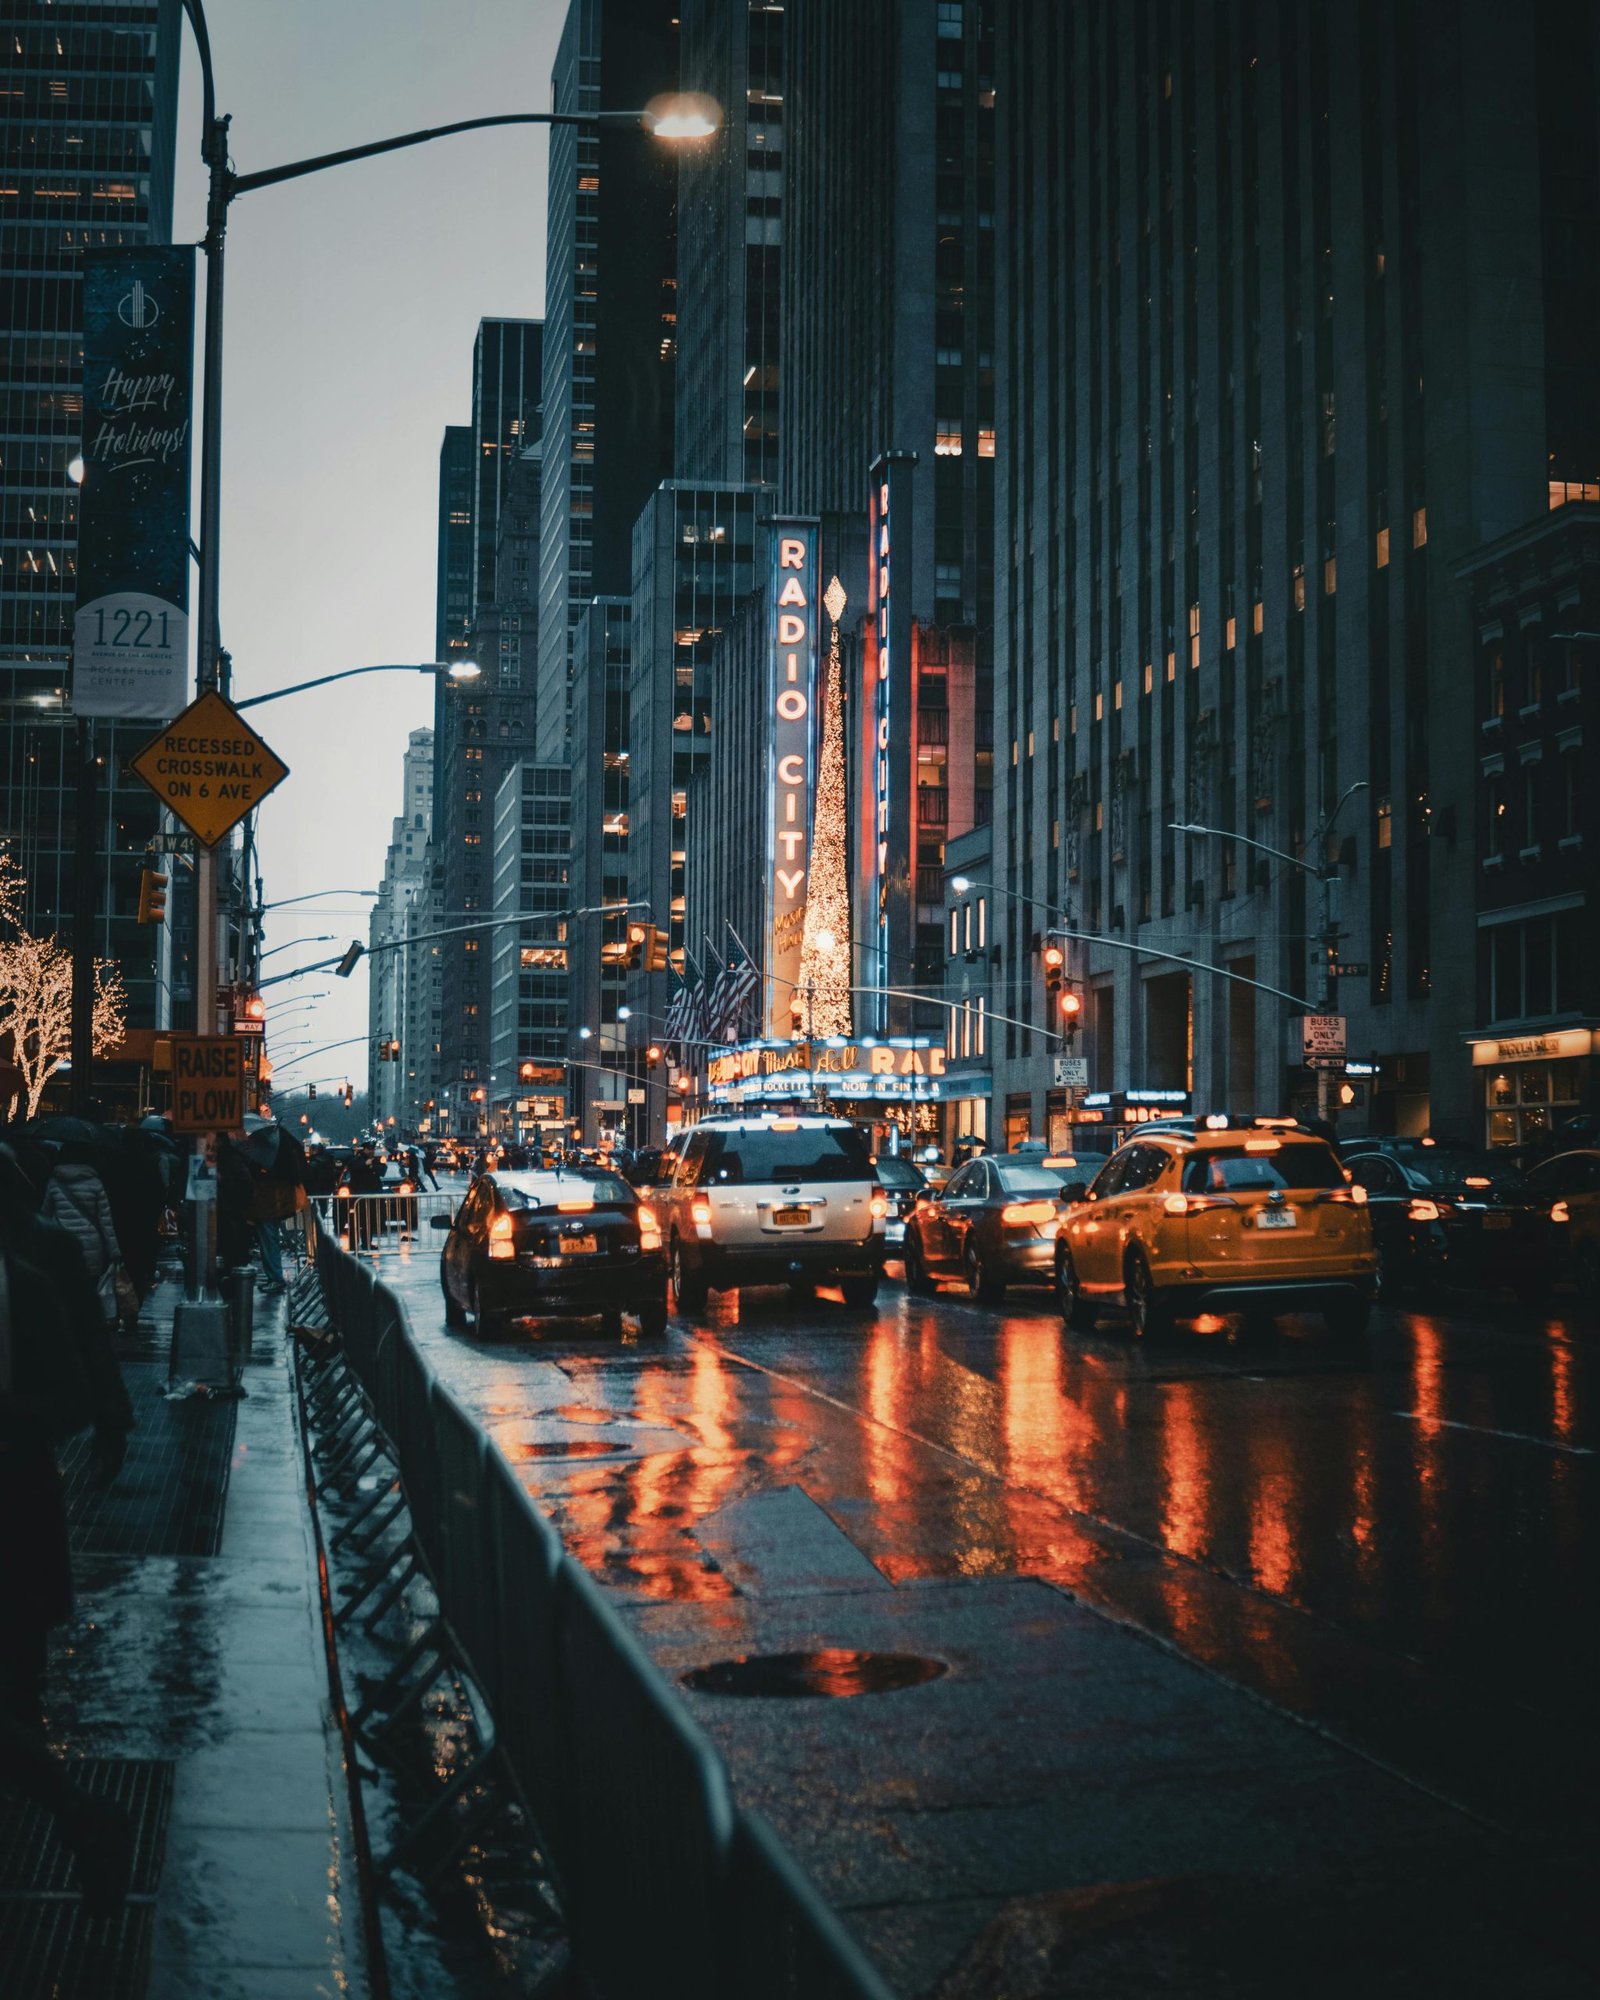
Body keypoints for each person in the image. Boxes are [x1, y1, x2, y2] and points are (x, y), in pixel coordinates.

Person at [0, 1147, 135, 1916]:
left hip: (17, 1505)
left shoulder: (31, 1272)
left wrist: (106, 1418)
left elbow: (75, 1378)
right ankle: (76, 1813)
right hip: (25, 1507)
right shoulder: (38, 1258)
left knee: (17, 1684)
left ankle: (77, 1813)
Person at [39, 1145, 123, 1327]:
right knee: (88, 1287)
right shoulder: (96, 1184)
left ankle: (67, 1323)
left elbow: (44, 1215)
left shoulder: (54, 1183)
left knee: (64, 1285)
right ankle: (84, 1323)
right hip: (91, 1244)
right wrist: (114, 1251)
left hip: (61, 1244)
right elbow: (105, 1222)